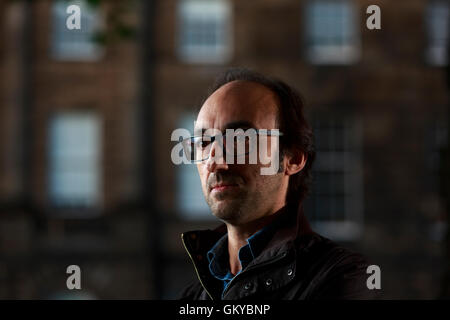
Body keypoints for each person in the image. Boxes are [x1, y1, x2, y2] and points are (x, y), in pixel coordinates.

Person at [178, 68, 378, 300]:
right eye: (203, 142)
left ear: (292, 159)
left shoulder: (342, 276)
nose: (216, 163)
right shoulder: (192, 298)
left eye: (241, 139)